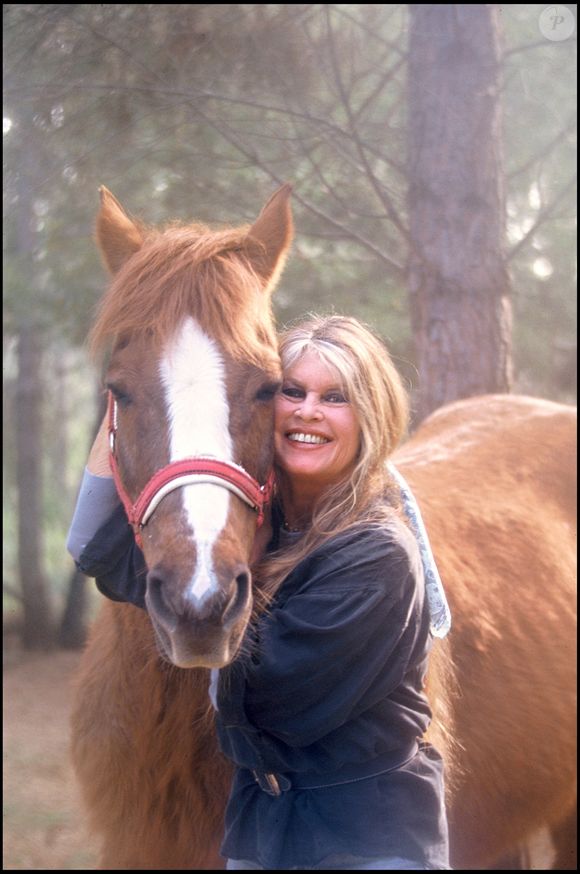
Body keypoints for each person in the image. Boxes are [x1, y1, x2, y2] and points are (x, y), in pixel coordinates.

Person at [67, 314, 451, 870]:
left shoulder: (378, 553)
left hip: (366, 839)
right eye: (290, 392)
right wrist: (128, 397)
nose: (307, 411)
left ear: (372, 415)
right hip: (263, 832)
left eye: (335, 397)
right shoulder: (268, 528)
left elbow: (274, 704)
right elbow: (95, 551)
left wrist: (215, 583)